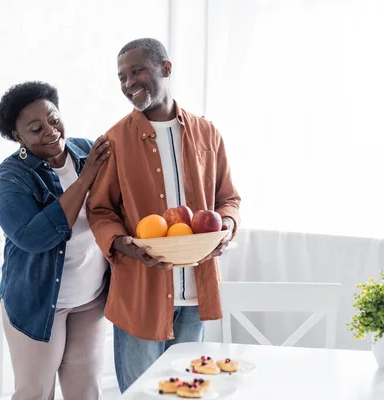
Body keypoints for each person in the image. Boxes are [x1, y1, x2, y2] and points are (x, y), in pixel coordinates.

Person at [86, 38, 241, 392]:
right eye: (122, 77)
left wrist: (226, 229)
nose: (129, 84)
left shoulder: (207, 133)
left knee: (188, 391)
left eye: (137, 71)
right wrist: (125, 244)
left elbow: (228, 199)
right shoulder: (114, 141)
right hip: (140, 294)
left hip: (194, 296)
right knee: (141, 394)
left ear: (166, 69)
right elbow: (99, 210)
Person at [0, 81, 111, 400]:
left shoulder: (88, 151)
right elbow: (35, 237)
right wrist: (85, 181)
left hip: (90, 297)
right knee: (35, 392)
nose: (51, 131)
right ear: (18, 137)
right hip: (38, 301)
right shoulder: (11, 177)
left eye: (53, 119)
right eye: (35, 128)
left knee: (85, 391)